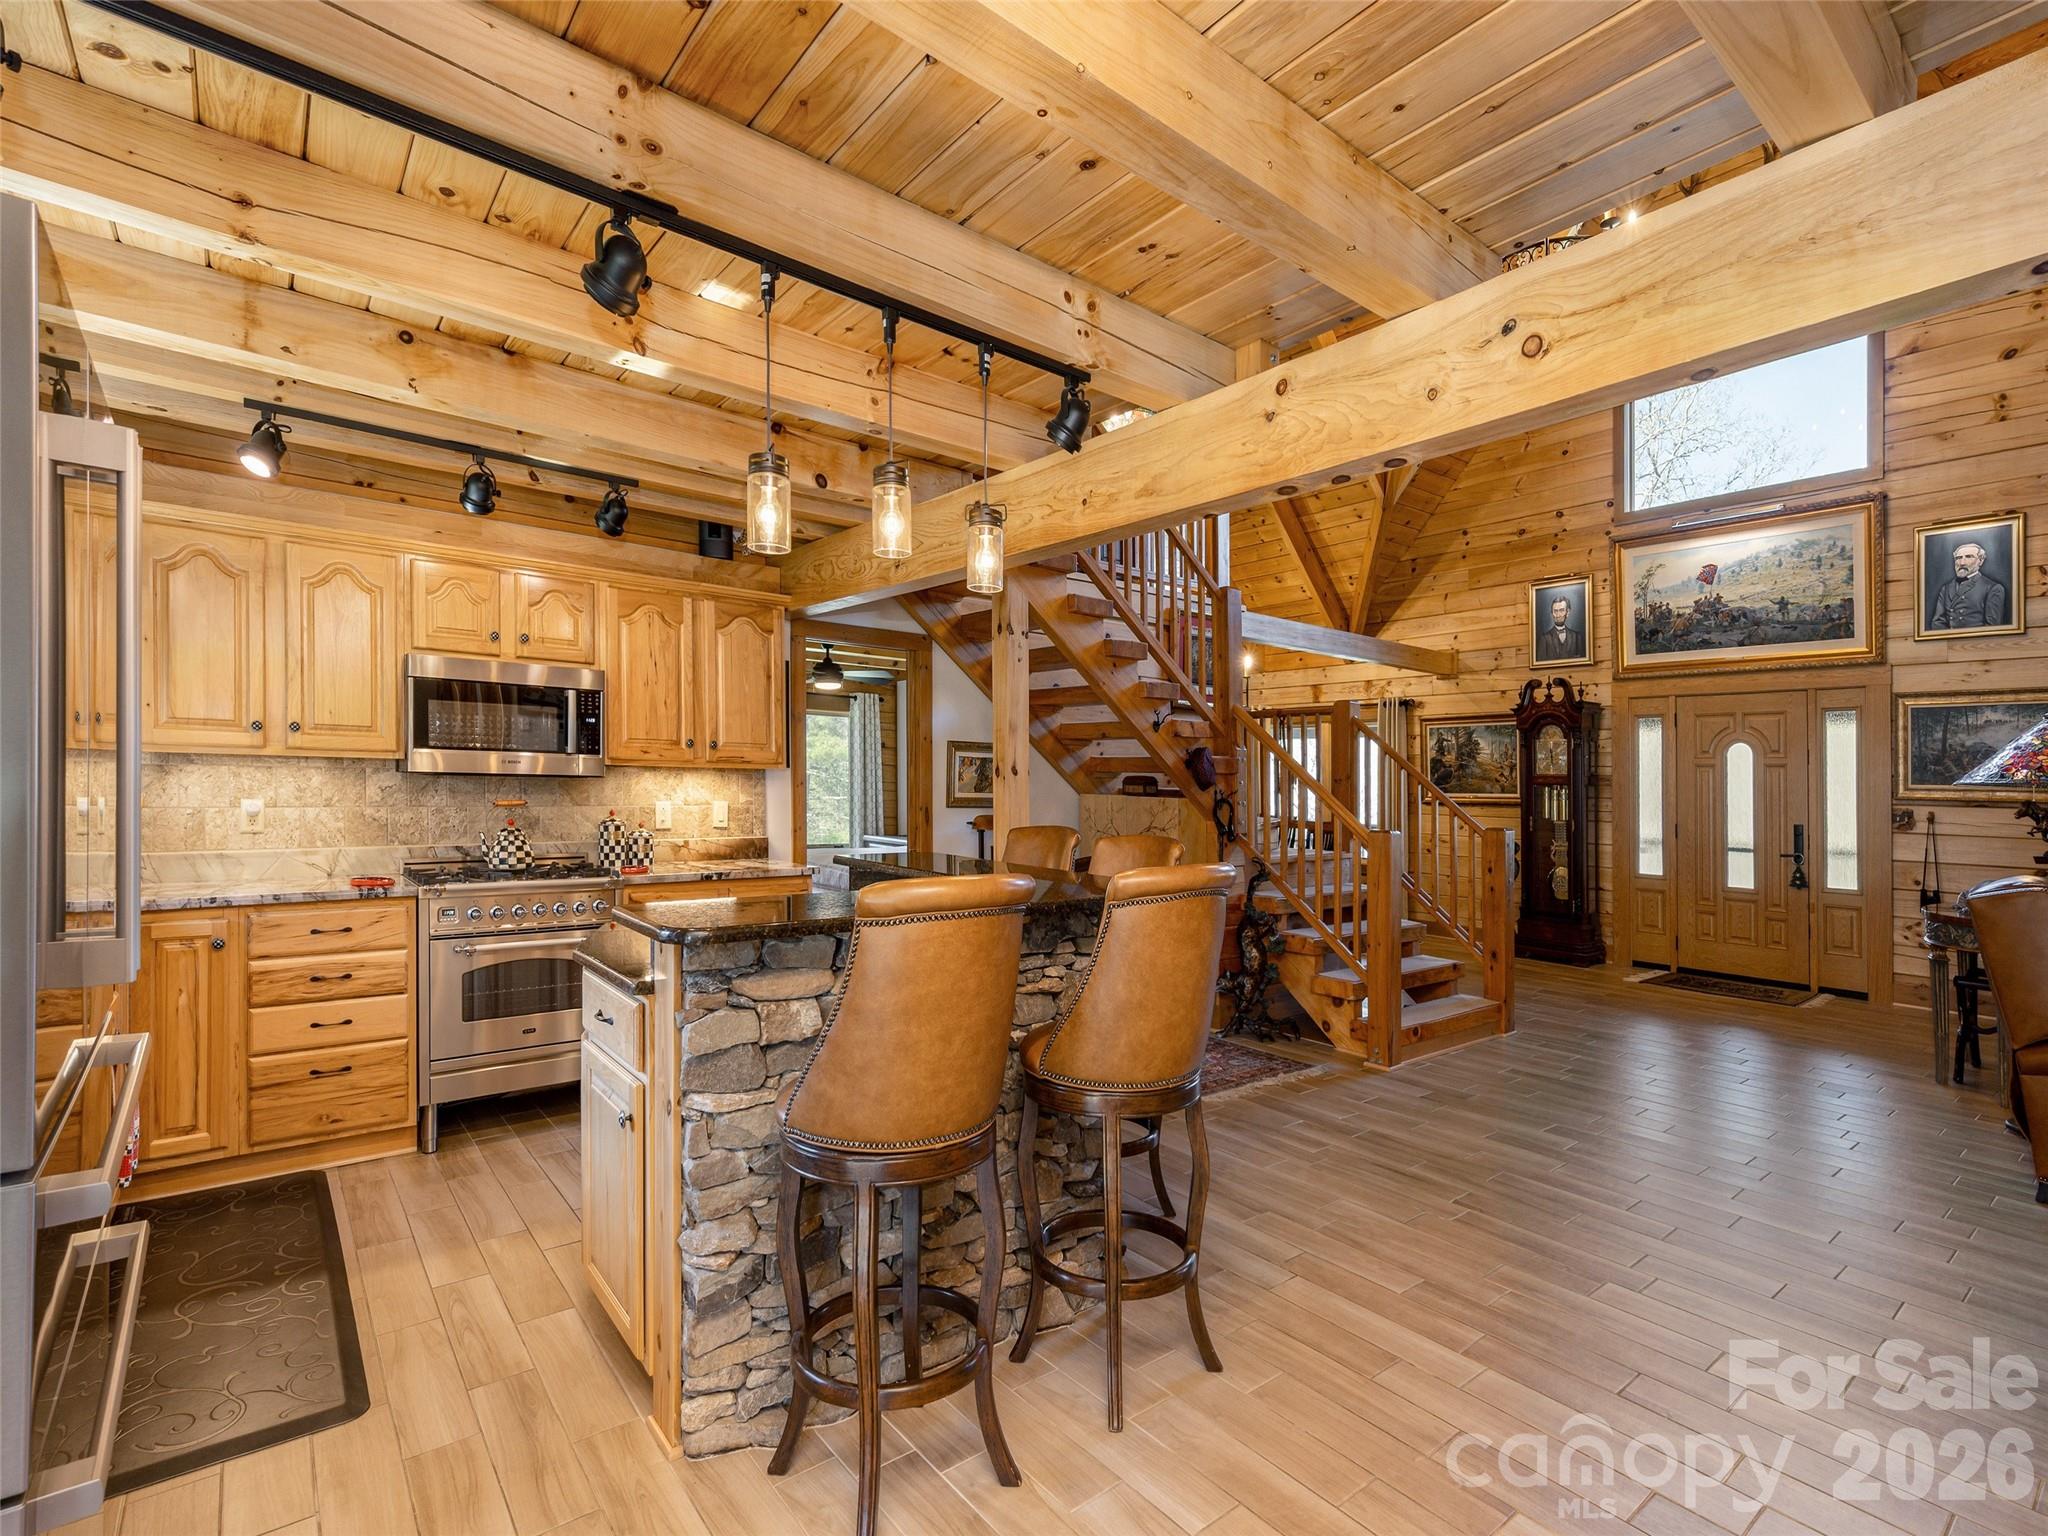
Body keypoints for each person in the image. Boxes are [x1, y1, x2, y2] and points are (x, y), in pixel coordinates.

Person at [1929, 540, 2009, 630]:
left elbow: (1992, 627)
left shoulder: (1993, 588)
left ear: (1980, 561)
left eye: (1968, 557)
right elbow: (1938, 622)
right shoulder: (1946, 588)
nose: (1962, 563)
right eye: (1958, 558)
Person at [1535, 593, 1583, 661]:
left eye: (1561, 610)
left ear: (1568, 612)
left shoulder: (1577, 637)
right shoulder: (1544, 638)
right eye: (1555, 611)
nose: (1558, 615)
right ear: (1552, 613)